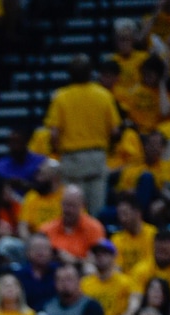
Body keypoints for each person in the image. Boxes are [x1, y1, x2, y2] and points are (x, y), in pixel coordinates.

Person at [44, 53, 121, 215]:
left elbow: (53, 134)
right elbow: (115, 131)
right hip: (97, 157)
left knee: (73, 210)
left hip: (72, 159)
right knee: (96, 212)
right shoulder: (104, 95)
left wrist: (58, 151)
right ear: (90, 72)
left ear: (70, 74)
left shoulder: (61, 97)